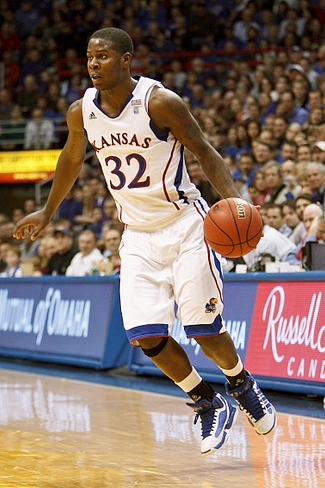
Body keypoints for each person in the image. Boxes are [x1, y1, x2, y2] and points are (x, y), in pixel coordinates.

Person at [13, 27, 276, 456]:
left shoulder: (160, 102)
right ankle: (208, 402)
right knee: (144, 336)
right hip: (136, 234)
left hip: (185, 224)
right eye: (88, 58)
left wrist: (235, 203)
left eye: (102, 56)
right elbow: (71, 156)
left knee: (202, 329)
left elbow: (206, 152)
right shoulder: (81, 111)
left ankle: (242, 386)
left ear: (126, 60)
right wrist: (47, 211)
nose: (93, 64)